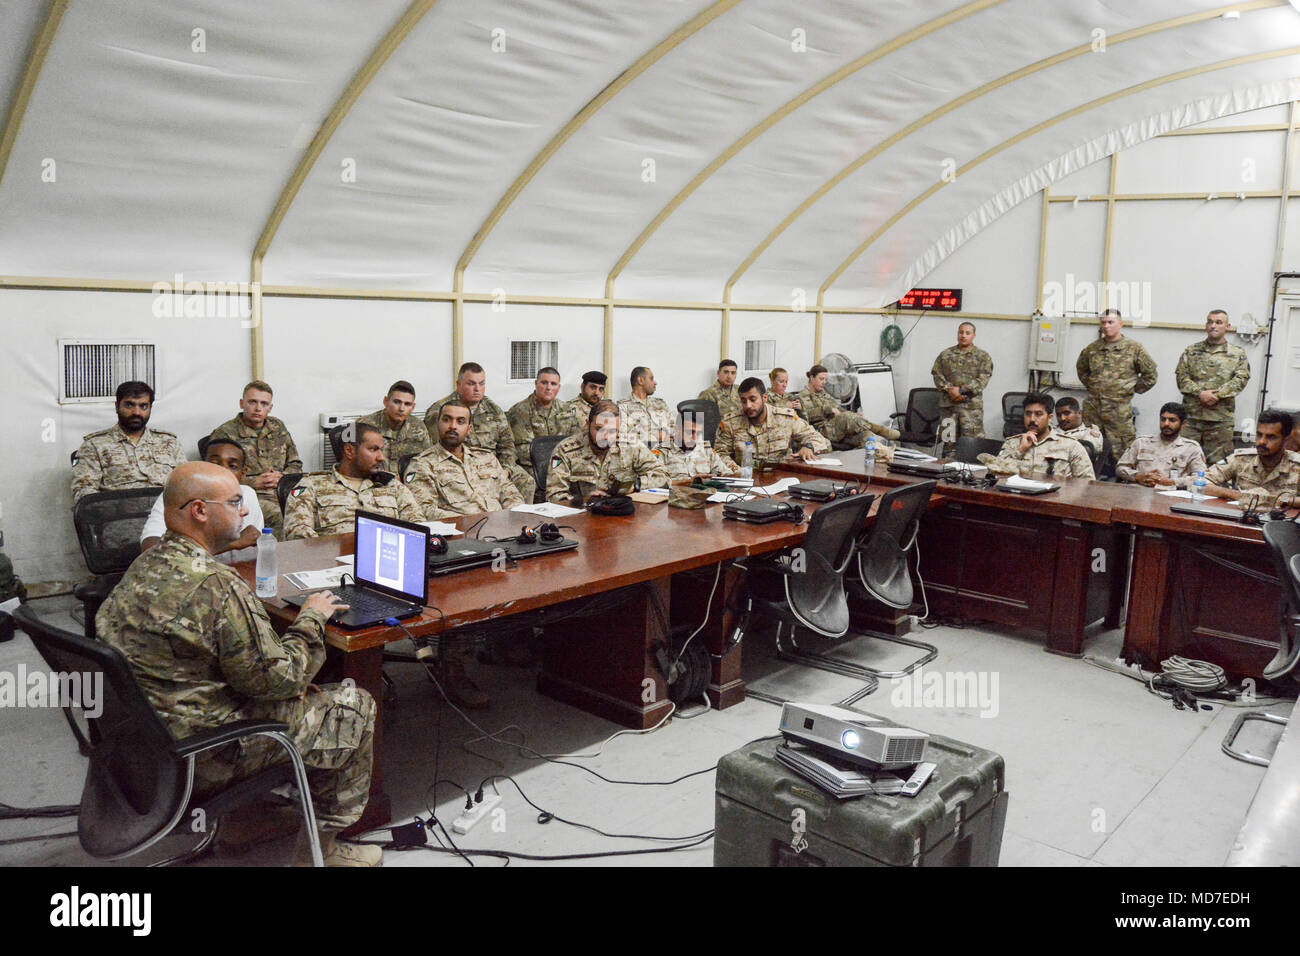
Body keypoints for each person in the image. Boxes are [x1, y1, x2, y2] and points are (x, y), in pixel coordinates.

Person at [96, 462, 379, 866]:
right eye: (234, 502)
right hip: (204, 755)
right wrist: (313, 616)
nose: (245, 511)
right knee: (355, 705)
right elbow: (280, 680)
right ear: (199, 511)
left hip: (145, 743)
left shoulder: (145, 563)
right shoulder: (217, 585)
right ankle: (324, 850)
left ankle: (241, 822)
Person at [283, 422, 422, 539]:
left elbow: (418, 523)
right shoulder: (312, 486)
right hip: (333, 564)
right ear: (349, 451)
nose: (381, 457)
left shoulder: (391, 485)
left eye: (381, 450)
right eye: (373, 450)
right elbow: (297, 534)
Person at [424, 363, 535, 503]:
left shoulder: (494, 410)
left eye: (481, 384)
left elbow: (507, 445)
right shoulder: (442, 410)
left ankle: (518, 522)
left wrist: (505, 469)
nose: (477, 389)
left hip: (493, 466)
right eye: (471, 384)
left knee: (526, 481)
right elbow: (437, 450)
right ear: (459, 385)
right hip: (458, 468)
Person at [141, 437, 262, 562]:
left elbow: (255, 549)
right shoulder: (178, 493)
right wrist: (231, 544)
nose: (223, 471)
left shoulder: (249, 495)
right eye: (215, 464)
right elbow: (150, 553)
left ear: (243, 473)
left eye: (232, 466)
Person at [210, 381, 302, 536]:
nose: (258, 408)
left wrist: (282, 478)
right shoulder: (224, 433)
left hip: (285, 489)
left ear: (270, 407)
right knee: (281, 515)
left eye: (264, 404)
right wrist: (253, 482)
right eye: (252, 402)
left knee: (314, 506)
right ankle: (281, 557)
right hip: (249, 494)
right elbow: (215, 479)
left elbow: (295, 464)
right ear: (242, 403)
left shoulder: (278, 427)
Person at [405, 400, 525, 519]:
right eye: (446, 420)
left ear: (469, 429)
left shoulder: (486, 458)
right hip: (462, 532)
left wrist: (512, 519)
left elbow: (511, 494)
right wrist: (472, 522)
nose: (453, 426)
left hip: (501, 528)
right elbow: (425, 510)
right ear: (438, 424)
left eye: (460, 421)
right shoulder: (422, 464)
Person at [71, 381, 187, 503]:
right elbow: (83, 493)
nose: (136, 412)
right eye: (129, 405)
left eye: (143, 406)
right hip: (118, 518)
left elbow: (186, 484)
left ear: (150, 408)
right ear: (117, 406)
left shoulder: (169, 442)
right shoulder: (94, 445)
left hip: (166, 517)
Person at [546, 401, 668, 504]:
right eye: (599, 429)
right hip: (581, 518)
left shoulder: (630, 445)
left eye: (612, 431)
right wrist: (583, 500)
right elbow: (554, 495)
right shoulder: (566, 450)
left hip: (620, 515)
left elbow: (662, 475)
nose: (605, 436)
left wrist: (635, 485)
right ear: (588, 424)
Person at [1075, 309, 1157, 459]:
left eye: (1110, 322)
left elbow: (1150, 375)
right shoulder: (1092, 349)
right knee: (1089, 449)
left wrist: (1130, 389)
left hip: (1118, 411)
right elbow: (1082, 370)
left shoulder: (1134, 348)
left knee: (1122, 452)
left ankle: (1121, 480)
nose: (1106, 326)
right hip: (1094, 410)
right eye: (1103, 322)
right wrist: (1094, 387)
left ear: (1120, 324)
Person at [1175, 310, 1250, 464]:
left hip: (1220, 420)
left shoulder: (1237, 354)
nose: (1213, 326)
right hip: (1192, 418)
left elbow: (1241, 379)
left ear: (1227, 326)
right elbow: (1181, 378)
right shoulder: (1191, 351)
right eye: (1210, 322)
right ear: (1206, 325)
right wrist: (1200, 393)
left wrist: (1218, 394)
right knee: (1183, 461)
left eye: (1218, 322)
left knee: (1219, 465)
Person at [714, 377, 831, 467]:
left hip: (781, 477)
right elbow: (720, 455)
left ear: (764, 398)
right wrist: (739, 472)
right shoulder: (730, 423)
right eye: (744, 401)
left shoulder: (785, 418)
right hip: (745, 479)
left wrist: (808, 447)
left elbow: (818, 438)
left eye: (753, 399)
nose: (748, 405)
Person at [981, 392, 1095, 479]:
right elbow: (993, 475)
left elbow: (1087, 485)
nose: (1032, 419)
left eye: (1038, 414)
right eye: (1028, 414)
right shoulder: (1012, 443)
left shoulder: (1071, 446)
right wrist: (1020, 451)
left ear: (1050, 418)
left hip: (1054, 504)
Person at [1202, 409, 1300, 505]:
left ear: (1285, 440)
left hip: (1281, 520)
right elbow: (1197, 481)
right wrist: (1235, 494)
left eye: (1271, 437)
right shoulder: (1241, 458)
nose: (1262, 441)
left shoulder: (1296, 465)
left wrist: (1282, 501)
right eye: (1259, 434)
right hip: (1241, 517)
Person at [507, 367, 579, 489]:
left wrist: (559, 467)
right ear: (536, 384)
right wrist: (555, 469)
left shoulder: (567, 410)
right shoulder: (520, 412)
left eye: (553, 384)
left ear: (559, 387)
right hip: (534, 468)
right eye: (544, 383)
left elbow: (575, 443)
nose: (549, 388)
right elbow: (525, 452)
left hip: (561, 465)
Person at [797, 365, 900, 448]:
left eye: (825, 379)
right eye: (821, 379)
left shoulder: (825, 395)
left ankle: (878, 459)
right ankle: (883, 431)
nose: (824, 382)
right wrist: (827, 409)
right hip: (821, 431)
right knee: (847, 417)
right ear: (811, 378)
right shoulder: (801, 396)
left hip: (838, 429)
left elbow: (840, 410)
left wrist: (856, 416)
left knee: (866, 435)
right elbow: (805, 417)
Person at [931, 321, 993, 452]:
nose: (963, 335)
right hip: (949, 406)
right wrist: (949, 389)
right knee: (949, 443)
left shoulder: (983, 356)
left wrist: (961, 390)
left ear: (973, 335)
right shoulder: (945, 354)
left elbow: (983, 379)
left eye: (967, 333)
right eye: (961, 332)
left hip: (970, 409)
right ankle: (947, 469)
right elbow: (937, 374)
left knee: (972, 444)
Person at [1114, 403, 1207, 487]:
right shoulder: (1141, 443)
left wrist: (1173, 482)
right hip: (1138, 491)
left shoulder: (1191, 448)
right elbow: (1120, 468)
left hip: (1170, 495)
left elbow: (1201, 477)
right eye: (1163, 419)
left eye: (1172, 420)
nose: (1166, 424)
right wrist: (1138, 477)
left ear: (1183, 424)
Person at [357, 380, 432, 465]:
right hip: (373, 476)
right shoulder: (364, 425)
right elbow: (351, 461)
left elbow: (427, 459)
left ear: (413, 407)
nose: (401, 409)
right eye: (396, 402)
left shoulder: (418, 427)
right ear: (386, 401)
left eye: (407, 404)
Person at [656, 412, 741, 480]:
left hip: (708, 498)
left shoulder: (707, 451)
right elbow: (655, 483)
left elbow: (727, 475)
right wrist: (689, 482)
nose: (695, 438)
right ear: (677, 430)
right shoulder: (662, 453)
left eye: (699, 433)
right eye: (690, 432)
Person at [617, 366, 675, 449]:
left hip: (668, 453)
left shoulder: (660, 404)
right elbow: (622, 437)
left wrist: (667, 434)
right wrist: (654, 437)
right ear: (640, 380)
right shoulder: (622, 407)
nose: (655, 383)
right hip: (641, 456)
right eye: (651, 379)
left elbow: (675, 427)